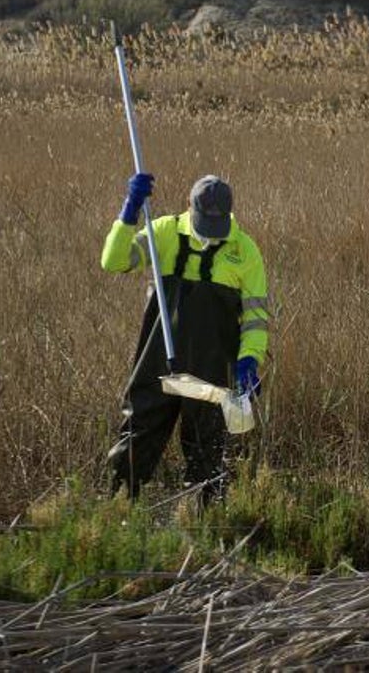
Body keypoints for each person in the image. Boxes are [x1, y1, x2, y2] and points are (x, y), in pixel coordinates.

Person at [100, 172, 269, 502]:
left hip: (210, 370)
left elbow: (255, 319)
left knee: (209, 451)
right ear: (189, 209)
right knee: (138, 436)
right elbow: (113, 262)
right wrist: (129, 213)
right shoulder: (163, 231)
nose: (210, 236)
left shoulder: (245, 251)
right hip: (158, 363)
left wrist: (250, 361)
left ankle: (205, 524)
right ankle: (118, 511)